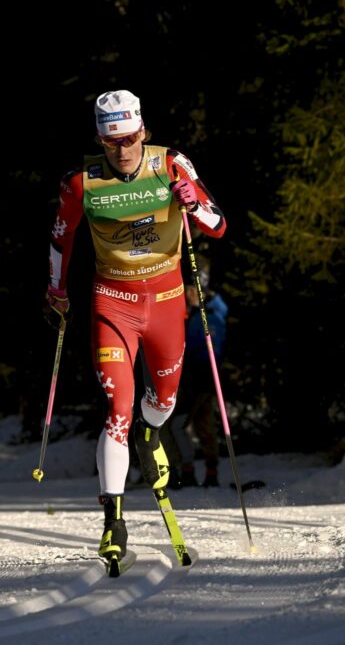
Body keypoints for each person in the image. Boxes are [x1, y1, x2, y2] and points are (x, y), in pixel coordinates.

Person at [43, 89, 226, 565]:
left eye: (128, 139)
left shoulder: (171, 165)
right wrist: (56, 291)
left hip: (166, 305)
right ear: (100, 141)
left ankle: (153, 433)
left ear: (143, 131)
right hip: (113, 304)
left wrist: (195, 204)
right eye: (111, 143)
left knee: (162, 405)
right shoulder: (81, 182)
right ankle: (113, 522)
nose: (122, 151)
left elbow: (218, 224)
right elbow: (61, 240)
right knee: (118, 408)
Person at [164, 253, 227, 488]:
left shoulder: (212, 310)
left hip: (203, 378)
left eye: (190, 289)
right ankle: (192, 471)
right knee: (190, 424)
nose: (186, 294)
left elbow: (213, 346)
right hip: (190, 378)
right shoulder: (189, 311)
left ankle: (201, 471)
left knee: (189, 424)